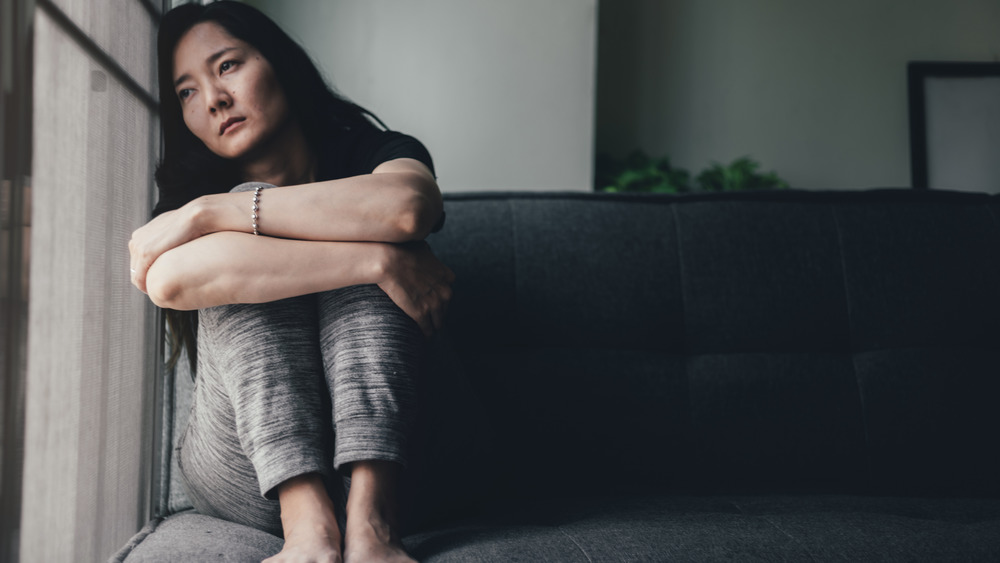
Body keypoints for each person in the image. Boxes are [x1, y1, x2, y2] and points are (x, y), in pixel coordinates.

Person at [128, 2, 453, 562]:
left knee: (369, 223)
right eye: (186, 92)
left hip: (408, 457)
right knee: (324, 250)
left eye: (227, 66)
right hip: (242, 468)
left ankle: (371, 521)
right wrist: (373, 262)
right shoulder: (192, 190)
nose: (213, 99)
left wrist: (212, 216)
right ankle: (306, 525)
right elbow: (170, 281)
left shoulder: (371, 152)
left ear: (278, 62)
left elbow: (406, 210)